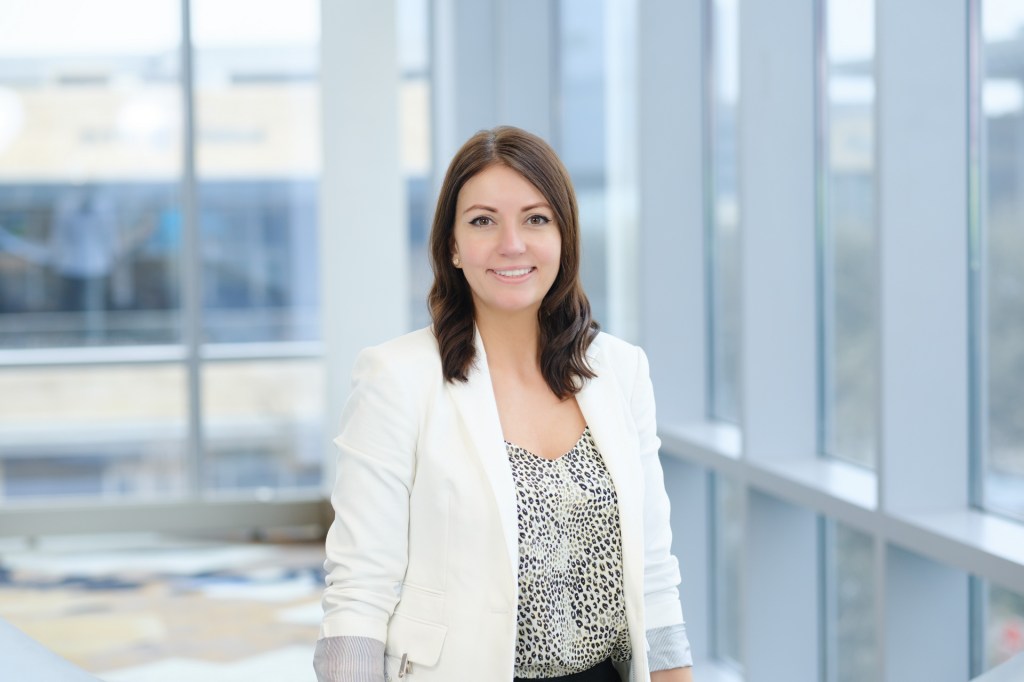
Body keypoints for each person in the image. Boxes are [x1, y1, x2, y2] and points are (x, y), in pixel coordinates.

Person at [314, 126, 694, 682]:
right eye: (483, 221)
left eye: (536, 219)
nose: (512, 244)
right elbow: (358, 590)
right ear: (452, 245)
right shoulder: (395, 379)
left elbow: (653, 570)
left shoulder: (621, 370)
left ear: (564, 237)